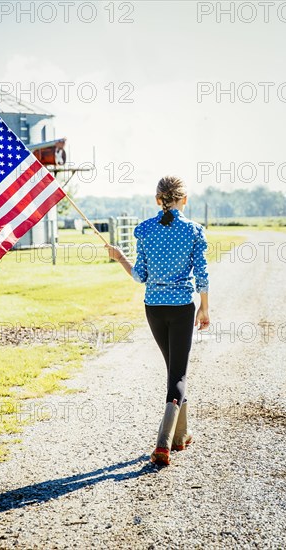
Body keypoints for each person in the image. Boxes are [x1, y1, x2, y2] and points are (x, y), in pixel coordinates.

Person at [105, 175, 210, 466]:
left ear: (157, 200)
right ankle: (163, 443)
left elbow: (140, 277)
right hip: (181, 309)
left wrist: (120, 257)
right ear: (184, 200)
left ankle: (180, 436)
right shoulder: (194, 231)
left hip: (153, 309)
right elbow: (202, 274)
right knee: (178, 374)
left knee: (173, 370)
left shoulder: (145, 230)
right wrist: (204, 308)